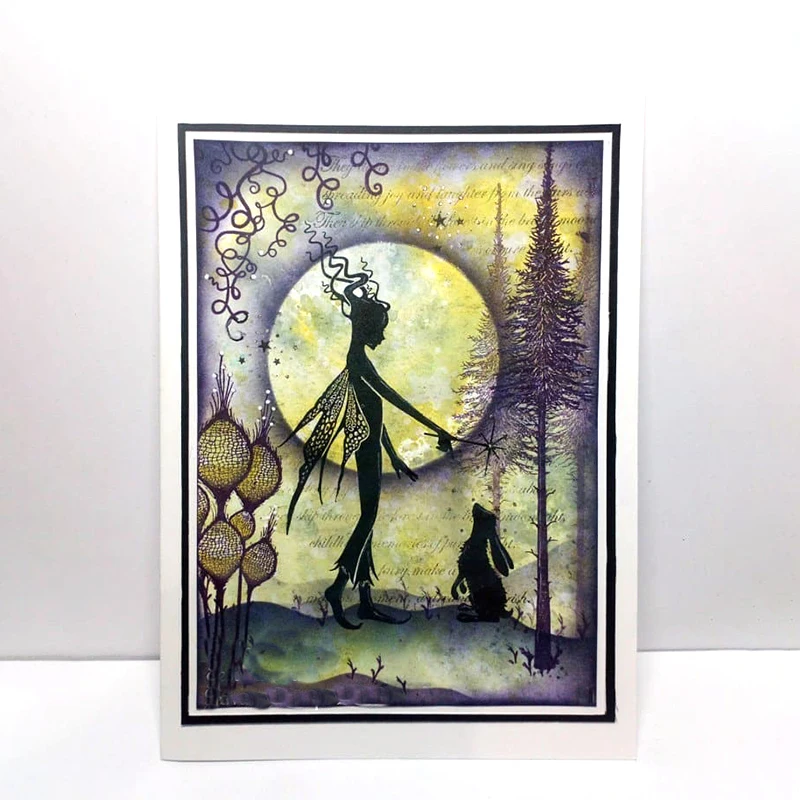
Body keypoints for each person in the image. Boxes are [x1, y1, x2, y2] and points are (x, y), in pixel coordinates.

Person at [282, 249, 453, 629]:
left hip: (371, 448)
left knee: (369, 518)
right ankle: (337, 587)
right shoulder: (359, 361)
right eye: (380, 327)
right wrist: (436, 426)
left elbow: (373, 414)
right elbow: (392, 398)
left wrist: (394, 455)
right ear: (366, 328)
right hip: (365, 450)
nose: (384, 334)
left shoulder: (359, 359)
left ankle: (364, 600)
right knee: (369, 516)